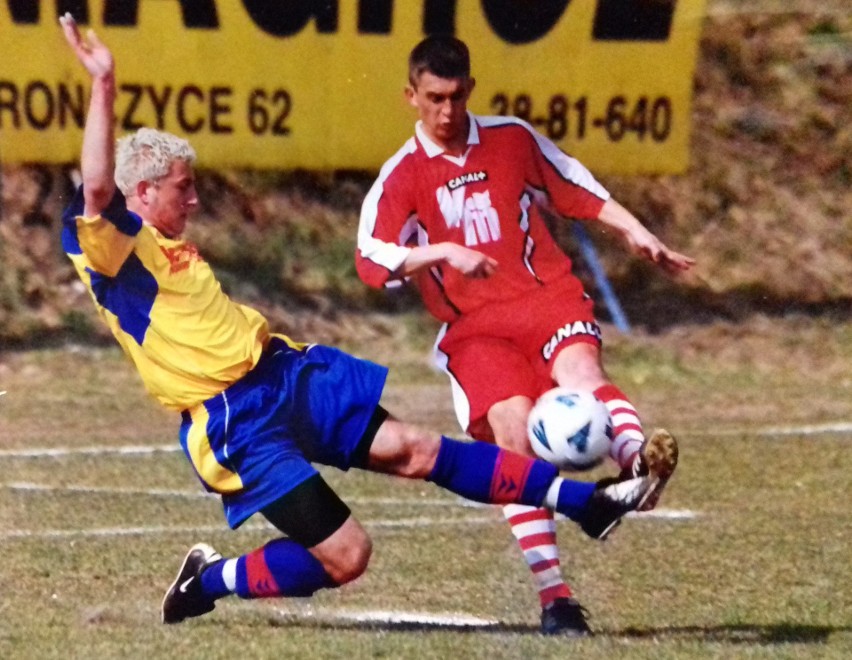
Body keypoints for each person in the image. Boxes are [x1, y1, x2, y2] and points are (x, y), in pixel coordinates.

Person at [57, 15, 667, 629]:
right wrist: (104, 84)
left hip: (285, 374)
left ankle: (589, 505)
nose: (194, 201)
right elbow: (99, 187)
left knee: (419, 449)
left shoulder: (166, 240)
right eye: (183, 190)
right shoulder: (110, 250)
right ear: (142, 191)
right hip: (234, 424)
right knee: (348, 557)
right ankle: (211, 578)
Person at [356, 35, 695, 635]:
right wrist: (443, 252)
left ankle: (638, 469)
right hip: (475, 330)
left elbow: (575, 186)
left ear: (472, 91)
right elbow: (370, 259)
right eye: (434, 98)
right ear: (411, 96)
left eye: (458, 96)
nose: (447, 111)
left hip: (545, 296)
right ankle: (557, 599)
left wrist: (636, 231)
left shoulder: (511, 139)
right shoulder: (401, 177)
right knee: (513, 439)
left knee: (583, 377)